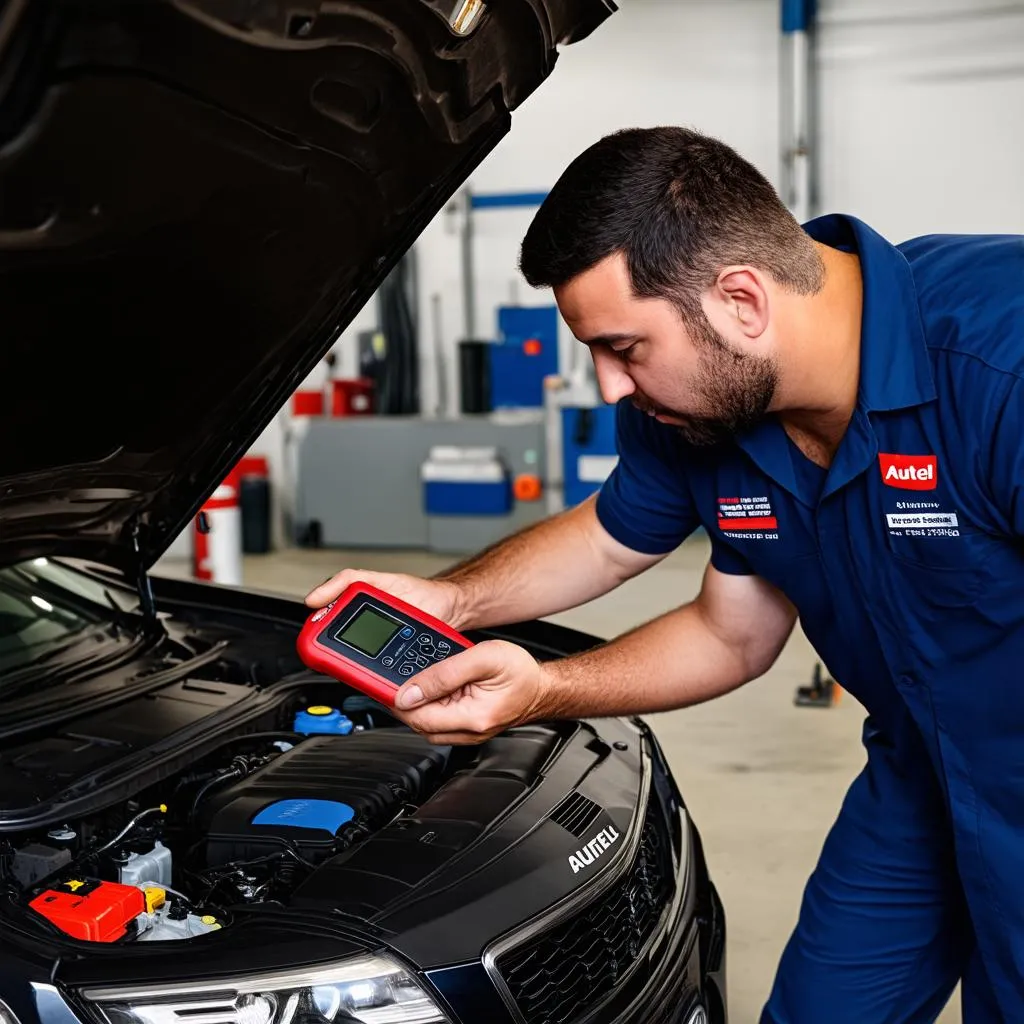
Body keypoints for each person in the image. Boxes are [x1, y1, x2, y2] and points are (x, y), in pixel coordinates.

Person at [306, 126, 1024, 1022]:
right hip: (918, 772)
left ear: (742, 299)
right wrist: (469, 613)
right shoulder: (702, 412)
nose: (609, 388)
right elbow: (703, 609)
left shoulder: (1002, 358)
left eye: (625, 348)